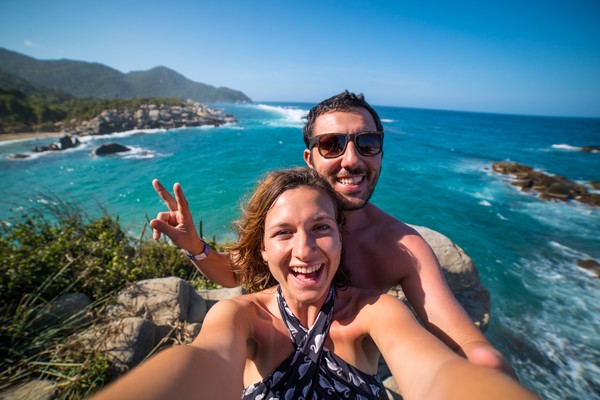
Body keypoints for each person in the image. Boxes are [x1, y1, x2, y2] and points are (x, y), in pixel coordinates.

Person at [150, 91, 513, 375]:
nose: (352, 159)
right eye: (332, 144)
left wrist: (489, 371)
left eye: (367, 143)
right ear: (310, 159)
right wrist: (194, 246)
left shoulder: (400, 247)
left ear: (381, 155)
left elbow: (464, 340)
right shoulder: (281, 216)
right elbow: (232, 274)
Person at [95, 168, 536, 400]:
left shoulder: (373, 313)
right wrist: (195, 247)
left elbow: (438, 374)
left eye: (321, 228)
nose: (305, 250)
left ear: (342, 240)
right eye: (284, 232)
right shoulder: (241, 315)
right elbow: (203, 362)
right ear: (262, 251)